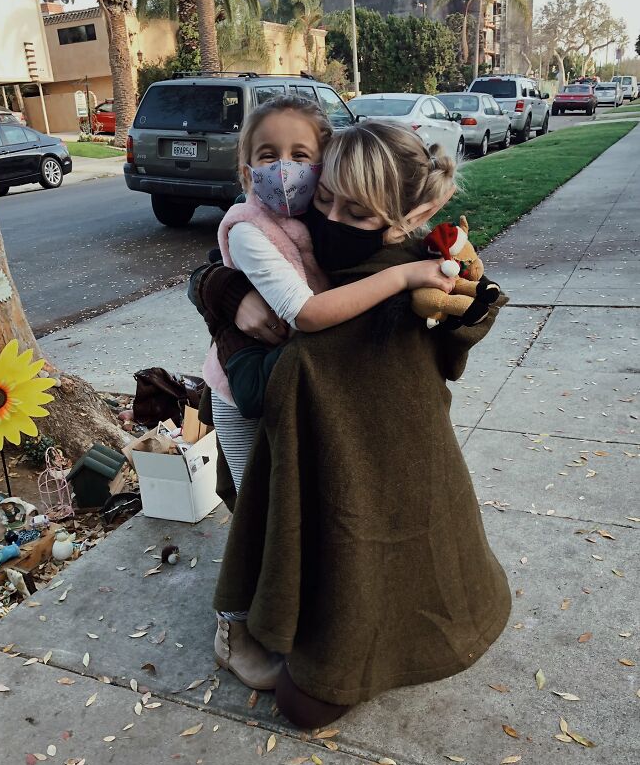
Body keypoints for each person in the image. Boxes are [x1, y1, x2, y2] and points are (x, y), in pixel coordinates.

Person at [202, 120, 511, 727]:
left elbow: (456, 326)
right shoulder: (312, 264)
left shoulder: (416, 278)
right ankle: (243, 625)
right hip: (319, 477)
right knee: (266, 525)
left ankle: (349, 635)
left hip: (399, 502)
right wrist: (219, 288)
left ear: (403, 217)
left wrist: (228, 325)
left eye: (359, 212)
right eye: (325, 200)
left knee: (305, 696)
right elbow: (255, 261)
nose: (333, 220)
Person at [203, 95, 455, 494]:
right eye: (268, 156)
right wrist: (220, 291)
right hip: (239, 397)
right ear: (247, 171)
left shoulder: (309, 215)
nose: (285, 170)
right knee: (254, 507)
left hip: (296, 397)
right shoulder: (261, 222)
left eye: (300, 156)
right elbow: (305, 311)